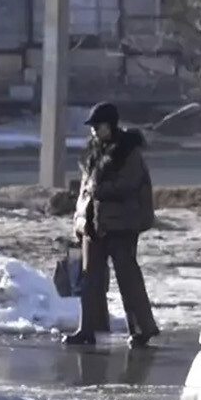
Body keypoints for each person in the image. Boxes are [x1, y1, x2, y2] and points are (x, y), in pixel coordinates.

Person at [67, 102, 160, 348]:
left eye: (100, 126)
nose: (95, 131)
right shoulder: (92, 153)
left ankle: (142, 329)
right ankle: (87, 329)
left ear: (112, 125)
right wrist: (79, 221)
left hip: (121, 225)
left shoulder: (128, 153)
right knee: (89, 280)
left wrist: (99, 189)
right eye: (93, 127)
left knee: (127, 278)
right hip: (93, 226)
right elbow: (84, 192)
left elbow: (127, 185)